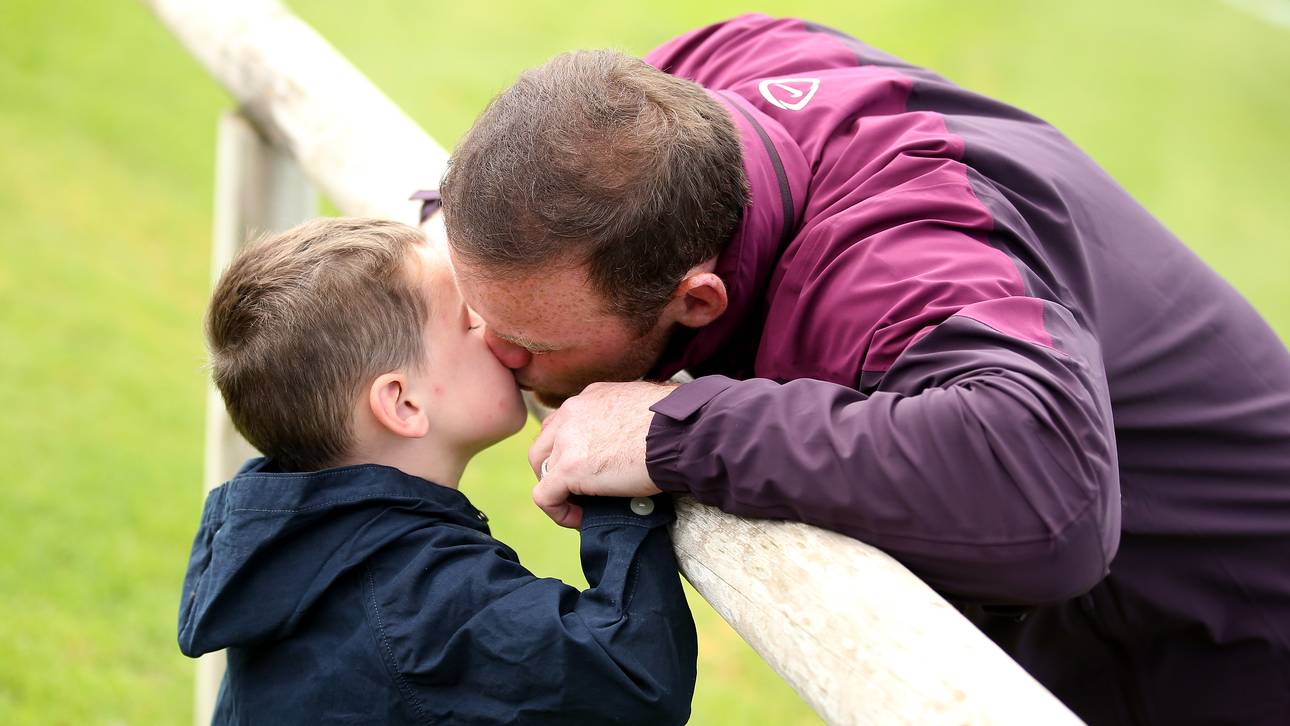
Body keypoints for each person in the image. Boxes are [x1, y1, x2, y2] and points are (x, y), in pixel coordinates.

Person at [422, 13, 1290, 725]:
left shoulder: (895, 262)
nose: (495, 352)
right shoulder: (702, 82)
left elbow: (1049, 495)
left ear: (697, 302)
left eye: (531, 343)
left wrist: (670, 427)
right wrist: (433, 240)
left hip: (1229, 649)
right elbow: (548, 172)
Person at [177, 218, 696, 724]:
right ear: (402, 404)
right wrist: (619, 482)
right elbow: (631, 679)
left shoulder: (294, 546)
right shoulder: (420, 602)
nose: (497, 329)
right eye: (469, 320)